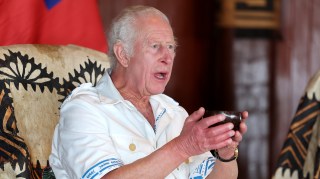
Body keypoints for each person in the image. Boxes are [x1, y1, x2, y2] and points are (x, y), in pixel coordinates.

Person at [49, 5, 248, 179]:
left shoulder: (173, 112)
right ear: (123, 54)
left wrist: (226, 154)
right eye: (155, 46)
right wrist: (182, 147)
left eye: (171, 47)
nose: (167, 57)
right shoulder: (84, 110)